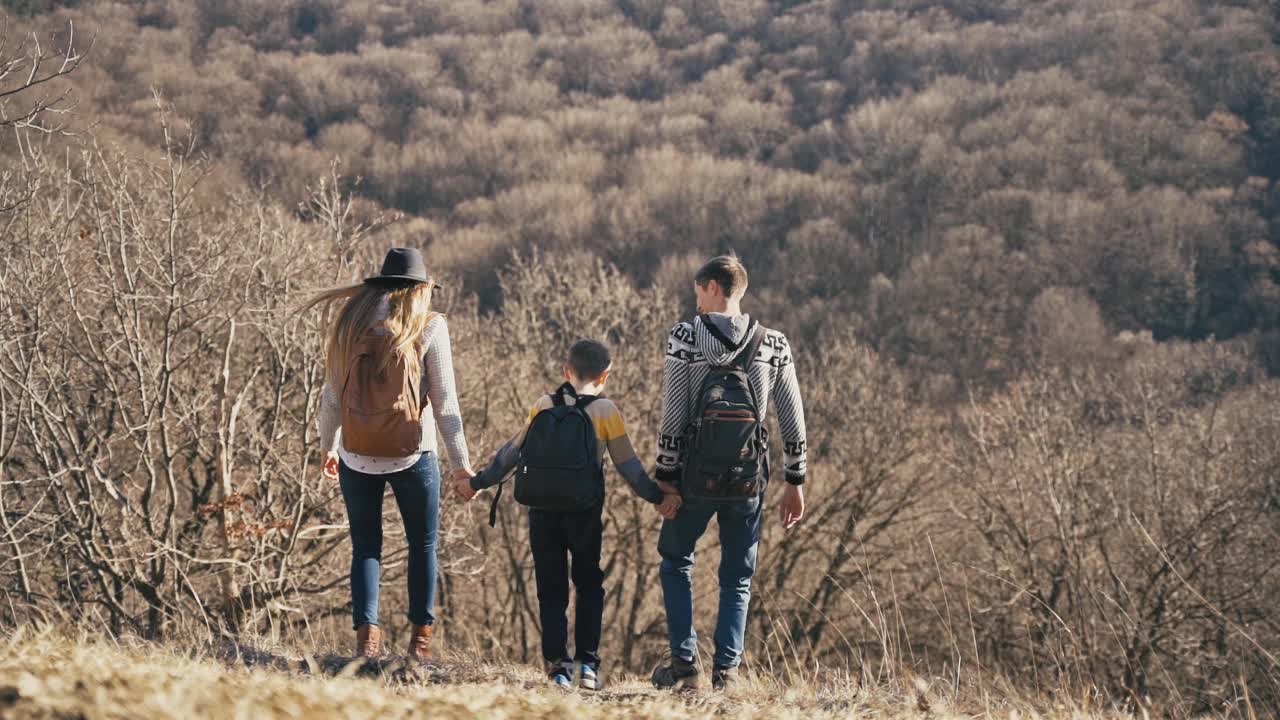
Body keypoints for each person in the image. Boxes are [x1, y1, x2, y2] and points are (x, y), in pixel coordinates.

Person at [453, 339, 682, 690]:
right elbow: (629, 467)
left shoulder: (544, 404)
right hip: (584, 513)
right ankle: (587, 666)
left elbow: (510, 453)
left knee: (551, 588)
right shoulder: (606, 411)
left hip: (542, 511)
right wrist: (658, 498)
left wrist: (477, 483)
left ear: (566, 371)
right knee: (589, 585)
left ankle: (557, 666)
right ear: (605, 375)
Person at [307, 247, 475, 662]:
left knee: (366, 547)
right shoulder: (429, 326)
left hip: (357, 453)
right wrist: (461, 467)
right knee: (422, 546)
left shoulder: (350, 322)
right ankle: (420, 644)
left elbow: (331, 397)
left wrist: (327, 446)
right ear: (420, 289)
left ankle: (367, 642)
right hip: (413, 453)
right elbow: (446, 403)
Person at [650, 254, 809, 691]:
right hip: (747, 479)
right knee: (738, 575)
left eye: (698, 292)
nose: (696, 302)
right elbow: (792, 419)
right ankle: (727, 672)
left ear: (714, 288)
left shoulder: (685, 337)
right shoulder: (774, 343)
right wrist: (795, 482)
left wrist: (666, 474)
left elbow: (674, 413)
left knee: (676, 561)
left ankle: (685, 669)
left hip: (693, 478)